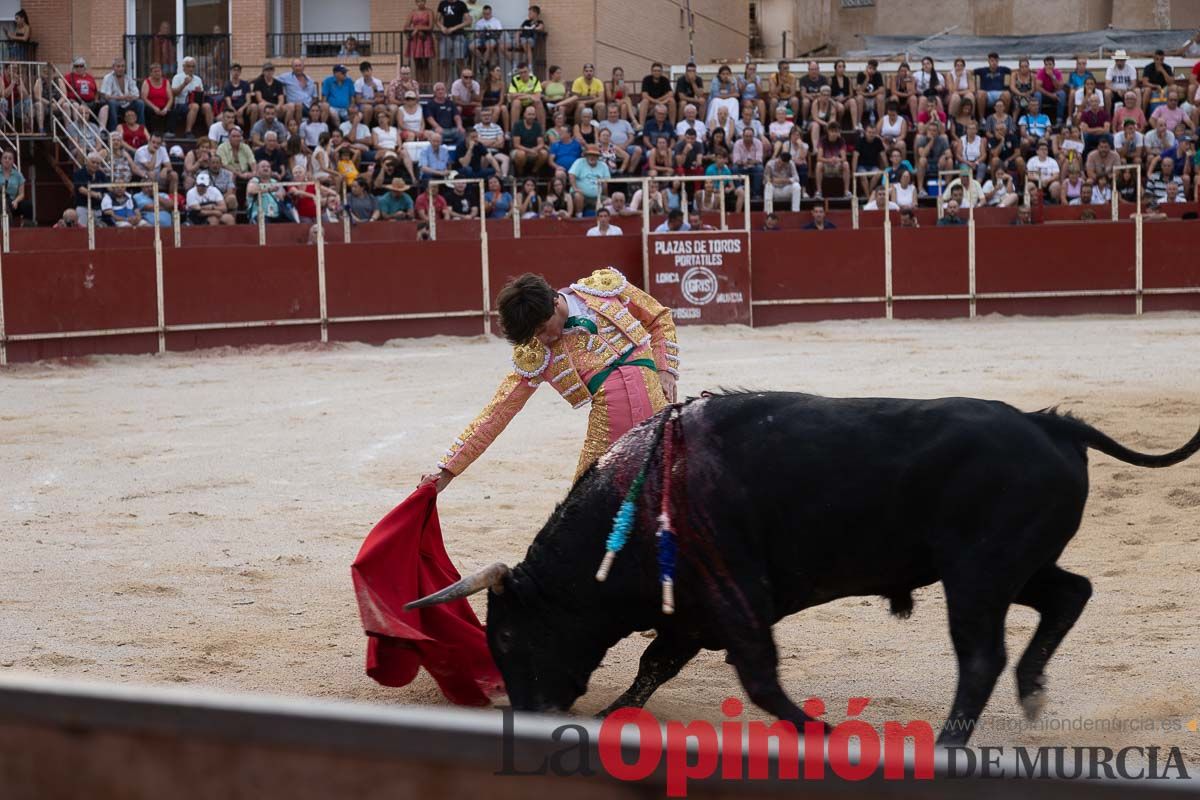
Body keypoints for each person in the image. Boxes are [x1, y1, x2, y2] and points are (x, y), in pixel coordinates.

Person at [420, 268, 679, 490]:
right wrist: (447, 472)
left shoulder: (604, 288)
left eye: (543, 329)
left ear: (556, 302)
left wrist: (666, 369)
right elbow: (498, 412)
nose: (543, 339)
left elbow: (658, 317)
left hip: (657, 413)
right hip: (609, 428)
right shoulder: (537, 354)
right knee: (584, 514)